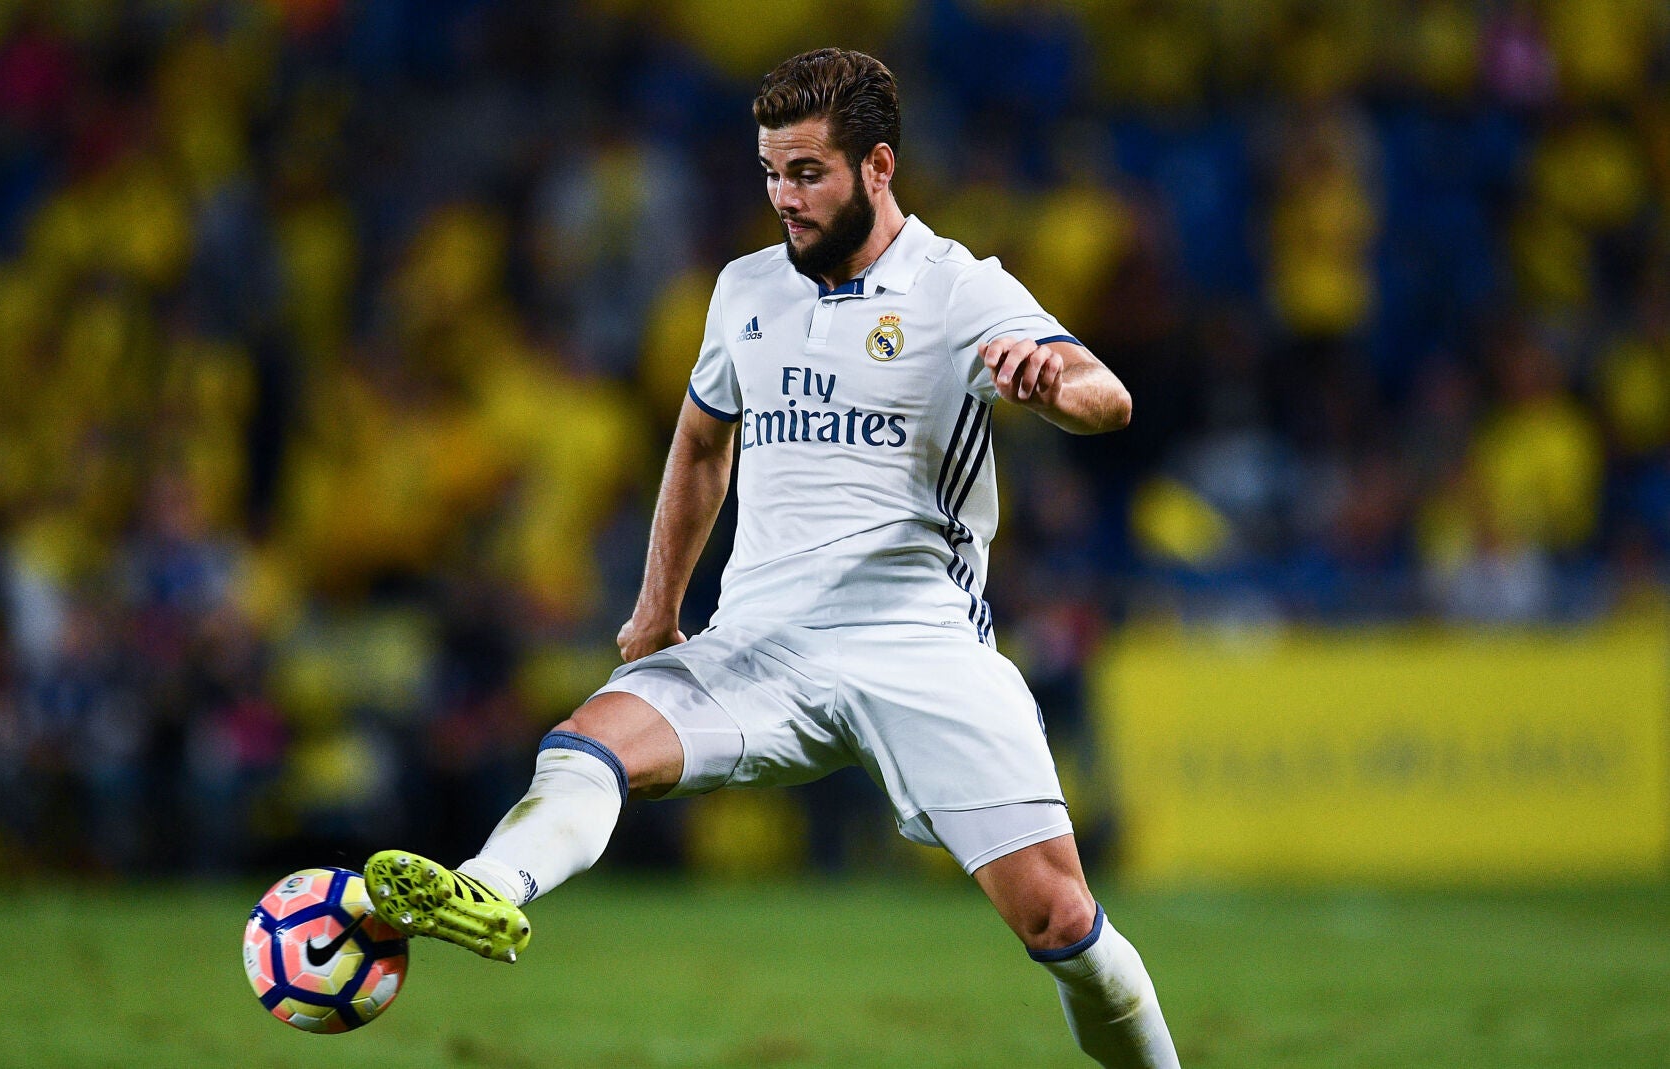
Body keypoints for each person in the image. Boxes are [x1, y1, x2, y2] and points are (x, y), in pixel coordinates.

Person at [363, 47, 1179, 1068]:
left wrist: (1048, 381)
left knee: (1058, 920)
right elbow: (702, 444)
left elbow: (1107, 395)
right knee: (590, 738)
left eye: (807, 173)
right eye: (769, 172)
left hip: (919, 647)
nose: (783, 198)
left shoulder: (957, 287)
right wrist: (654, 611)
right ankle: (488, 885)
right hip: (761, 645)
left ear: (876, 166)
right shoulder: (744, 288)